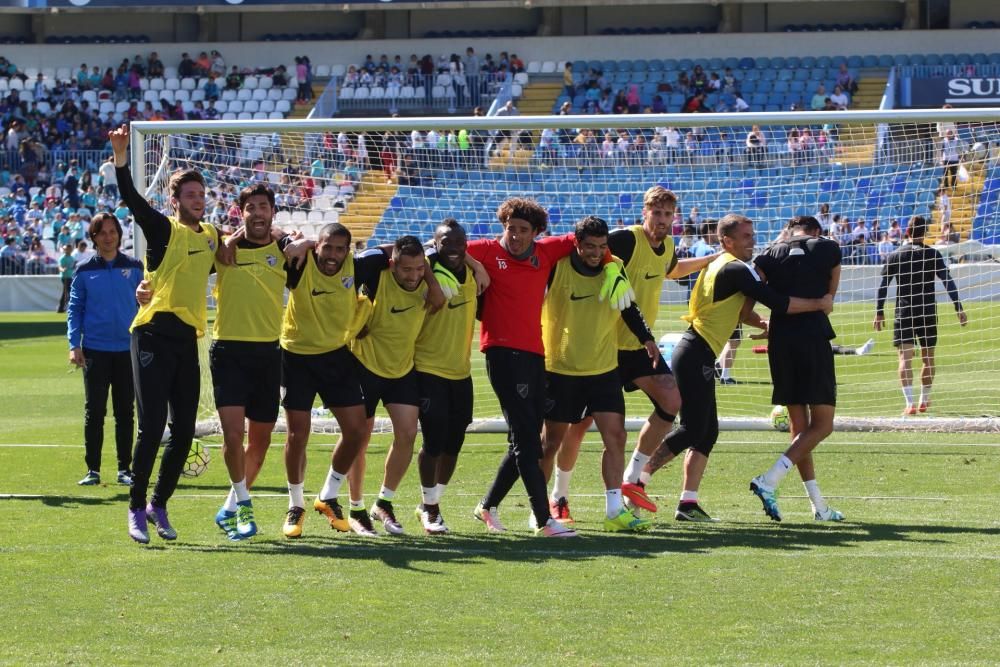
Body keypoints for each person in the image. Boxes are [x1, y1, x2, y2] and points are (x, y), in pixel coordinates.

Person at [641, 215, 833, 519]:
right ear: (727, 241)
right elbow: (778, 301)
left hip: (697, 352)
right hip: (695, 353)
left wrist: (763, 322)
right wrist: (819, 304)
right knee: (692, 429)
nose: (752, 240)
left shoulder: (721, 266)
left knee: (707, 432)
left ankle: (687, 504)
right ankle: (638, 479)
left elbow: (740, 310)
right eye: (746, 236)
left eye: (752, 234)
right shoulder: (735, 268)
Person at [546, 186, 718, 523]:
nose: (663, 220)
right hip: (604, 345)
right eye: (657, 214)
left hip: (639, 346)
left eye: (669, 215)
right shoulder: (625, 239)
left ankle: (633, 478)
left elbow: (672, 270)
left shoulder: (667, 244)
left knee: (671, 401)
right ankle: (559, 495)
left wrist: (710, 260)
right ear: (645, 213)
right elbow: (588, 248)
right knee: (577, 428)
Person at [468, 197, 633, 537]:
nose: (515, 235)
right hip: (501, 353)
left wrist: (614, 266)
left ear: (536, 232)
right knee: (528, 441)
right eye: (510, 228)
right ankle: (543, 520)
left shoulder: (546, 252)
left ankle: (487, 506)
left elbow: (592, 244)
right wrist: (476, 265)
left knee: (523, 439)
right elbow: (444, 246)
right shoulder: (486, 250)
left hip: (535, 356)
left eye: (523, 230)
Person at [111, 124, 222, 544]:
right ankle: (136, 508)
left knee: (185, 428)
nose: (198, 200)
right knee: (153, 425)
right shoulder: (163, 230)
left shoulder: (212, 236)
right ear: (175, 202)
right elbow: (133, 201)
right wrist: (122, 157)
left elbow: (233, 251)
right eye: (190, 195)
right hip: (152, 334)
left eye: (201, 194)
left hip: (185, 341)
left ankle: (159, 502)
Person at [539, 216, 658, 533]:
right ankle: (550, 504)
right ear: (576, 244)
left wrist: (647, 339)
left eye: (601, 246)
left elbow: (628, 307)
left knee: (616, 436)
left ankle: (614, 511)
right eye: (589, 246)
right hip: (561, 369)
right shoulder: (558, 266)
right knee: (552, 443)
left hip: (604, 369)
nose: (596, 252)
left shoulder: (614, 265)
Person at [748, 216, 845, 522]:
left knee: (800, 430)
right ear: (816, 231)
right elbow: (829, 298)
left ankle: (819, 506)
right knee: (823, 425)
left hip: (780, 342)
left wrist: (767, 325)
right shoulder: (829, 247)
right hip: (813, 338)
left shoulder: (768, 255)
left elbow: (748, 302)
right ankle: (770, 479)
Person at [347, 236, 438, 535]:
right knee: (358, 439)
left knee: (408, 434)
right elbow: (362, 259)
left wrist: (431, 278)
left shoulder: (428, 281)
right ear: (393, 265)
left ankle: (384, 502)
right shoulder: (377, 277)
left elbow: (440, 290)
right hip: (364, 367)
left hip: (402, 370)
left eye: (418, 269)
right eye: (406, 269)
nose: (412, 276)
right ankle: (356, 507)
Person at [412, 219, 480, 534]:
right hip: (427, 369)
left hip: (460, 372)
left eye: (459, 243)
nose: (452, 248)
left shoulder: (471, 274)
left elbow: (485, 277)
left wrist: (472, 260)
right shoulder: (424, 271)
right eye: (445, 242)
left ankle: (430, 502)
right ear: (434, 242)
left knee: (455, 441)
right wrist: (429, 265)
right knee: (434, 440)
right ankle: (431, 508)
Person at [67, 213, 143, 487]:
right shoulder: (84, 270)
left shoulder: (135, 267)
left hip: (127, 350)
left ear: (120, 235)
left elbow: (146, 306)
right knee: (94, 411)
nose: (108, 237)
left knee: (125, 411)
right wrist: (74, 344)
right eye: (102, 233)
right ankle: (93, 470)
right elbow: (74, 309)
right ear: (94, 237)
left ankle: (125, 468)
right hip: (95, 351)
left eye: (113, 231)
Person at [874, 215, 967, 415]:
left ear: (906, 232)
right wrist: (958, 307)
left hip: (904, 312)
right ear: (925, 233)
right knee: (928, 358)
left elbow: (883, 286)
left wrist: (879, 312)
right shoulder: (933, 254)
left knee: (905, 359)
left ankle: (909, 404)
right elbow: (947, 281)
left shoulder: (896, 255)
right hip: (927, 311)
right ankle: (924, 399)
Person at [56, 243, 74, 312]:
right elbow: (60, 267)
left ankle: (61, 308)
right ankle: (61, 308)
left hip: (70, 276)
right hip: (65, 277)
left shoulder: (72, 258)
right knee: (67, 292)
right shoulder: (62, 258)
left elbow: (73, 267)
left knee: (66, 293)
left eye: (69, 249)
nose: (67, 250)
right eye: (66, 249)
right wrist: (62, 269)